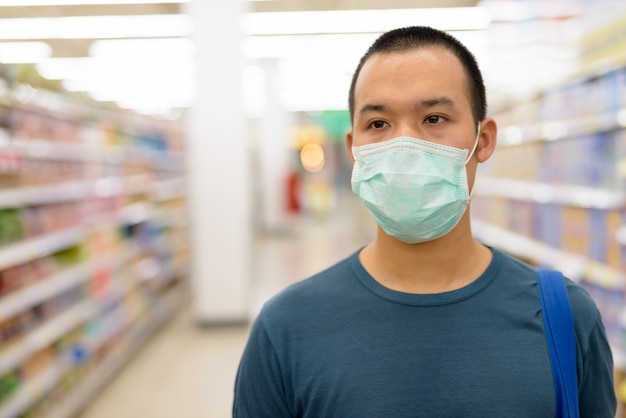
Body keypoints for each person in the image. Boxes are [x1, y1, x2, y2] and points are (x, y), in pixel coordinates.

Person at [233, 26, 616, 417]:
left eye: (434, 118)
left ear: (482, 141)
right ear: (354, 150)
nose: (405, 146)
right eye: (378, 124)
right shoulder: (286, 328)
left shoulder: (564, 316)